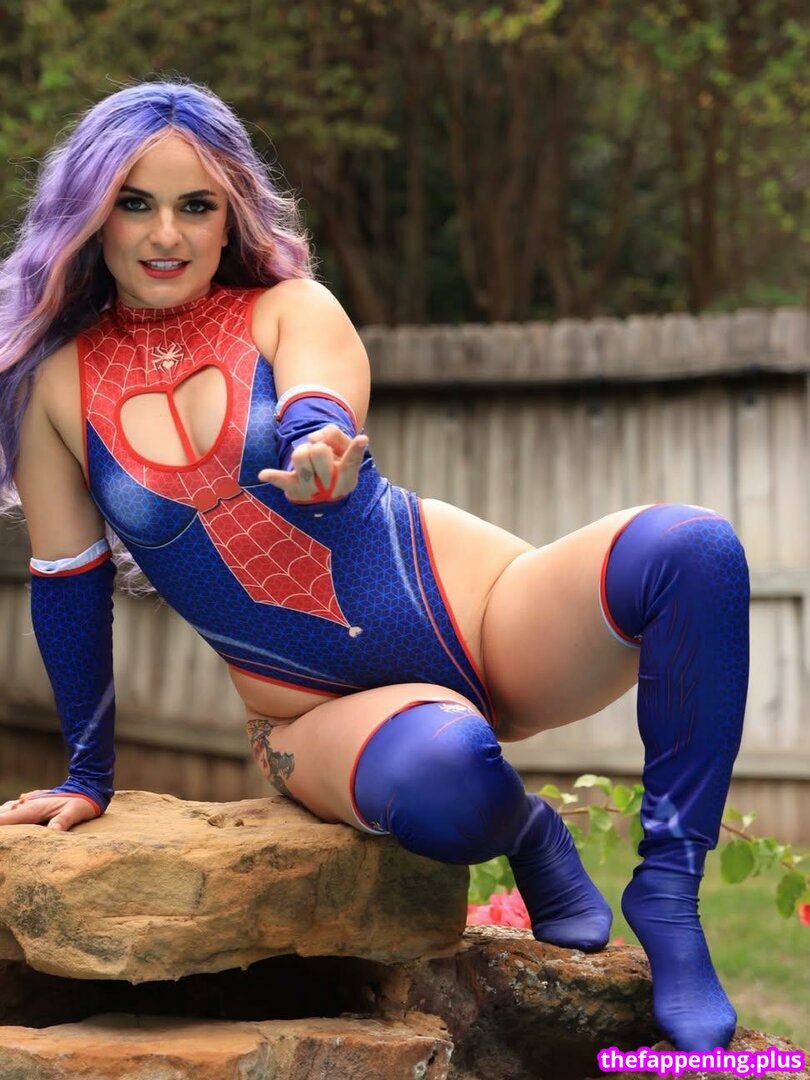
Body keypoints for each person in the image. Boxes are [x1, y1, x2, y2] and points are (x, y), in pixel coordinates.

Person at [0, 79, 750, 1053]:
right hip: (317, 714)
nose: (166, 234)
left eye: (197, 204)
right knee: (448, 775)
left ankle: (671, 892)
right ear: (90, 215)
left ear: (232, 215)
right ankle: (523, 829)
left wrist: (318, 444)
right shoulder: (55, 390)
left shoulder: (289, 307)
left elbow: (320, 398)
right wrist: (88, 775)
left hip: (481, 613)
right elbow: (68, 581)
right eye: (134, 203)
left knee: (693, 549)